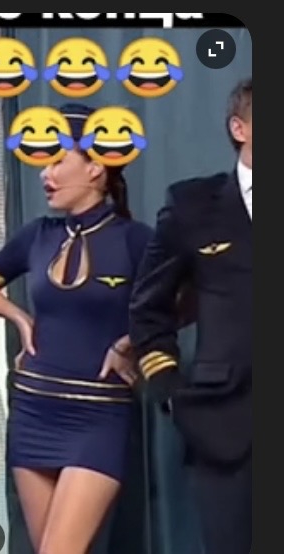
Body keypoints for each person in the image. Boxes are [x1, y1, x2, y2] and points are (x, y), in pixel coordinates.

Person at [0, 103, 155, 554]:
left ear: (96, 167)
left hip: (98, 418)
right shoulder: (37, 234)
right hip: (33, 412)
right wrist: (21, 318)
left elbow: (185, 302)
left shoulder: (135, 240)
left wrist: (130, 342)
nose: (44, 174)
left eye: (57, 160)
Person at [129, 77, 252, 554]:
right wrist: (171, 391)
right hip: (227, 427)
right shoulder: (192, 205)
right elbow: (148, 308)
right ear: (240, 128)